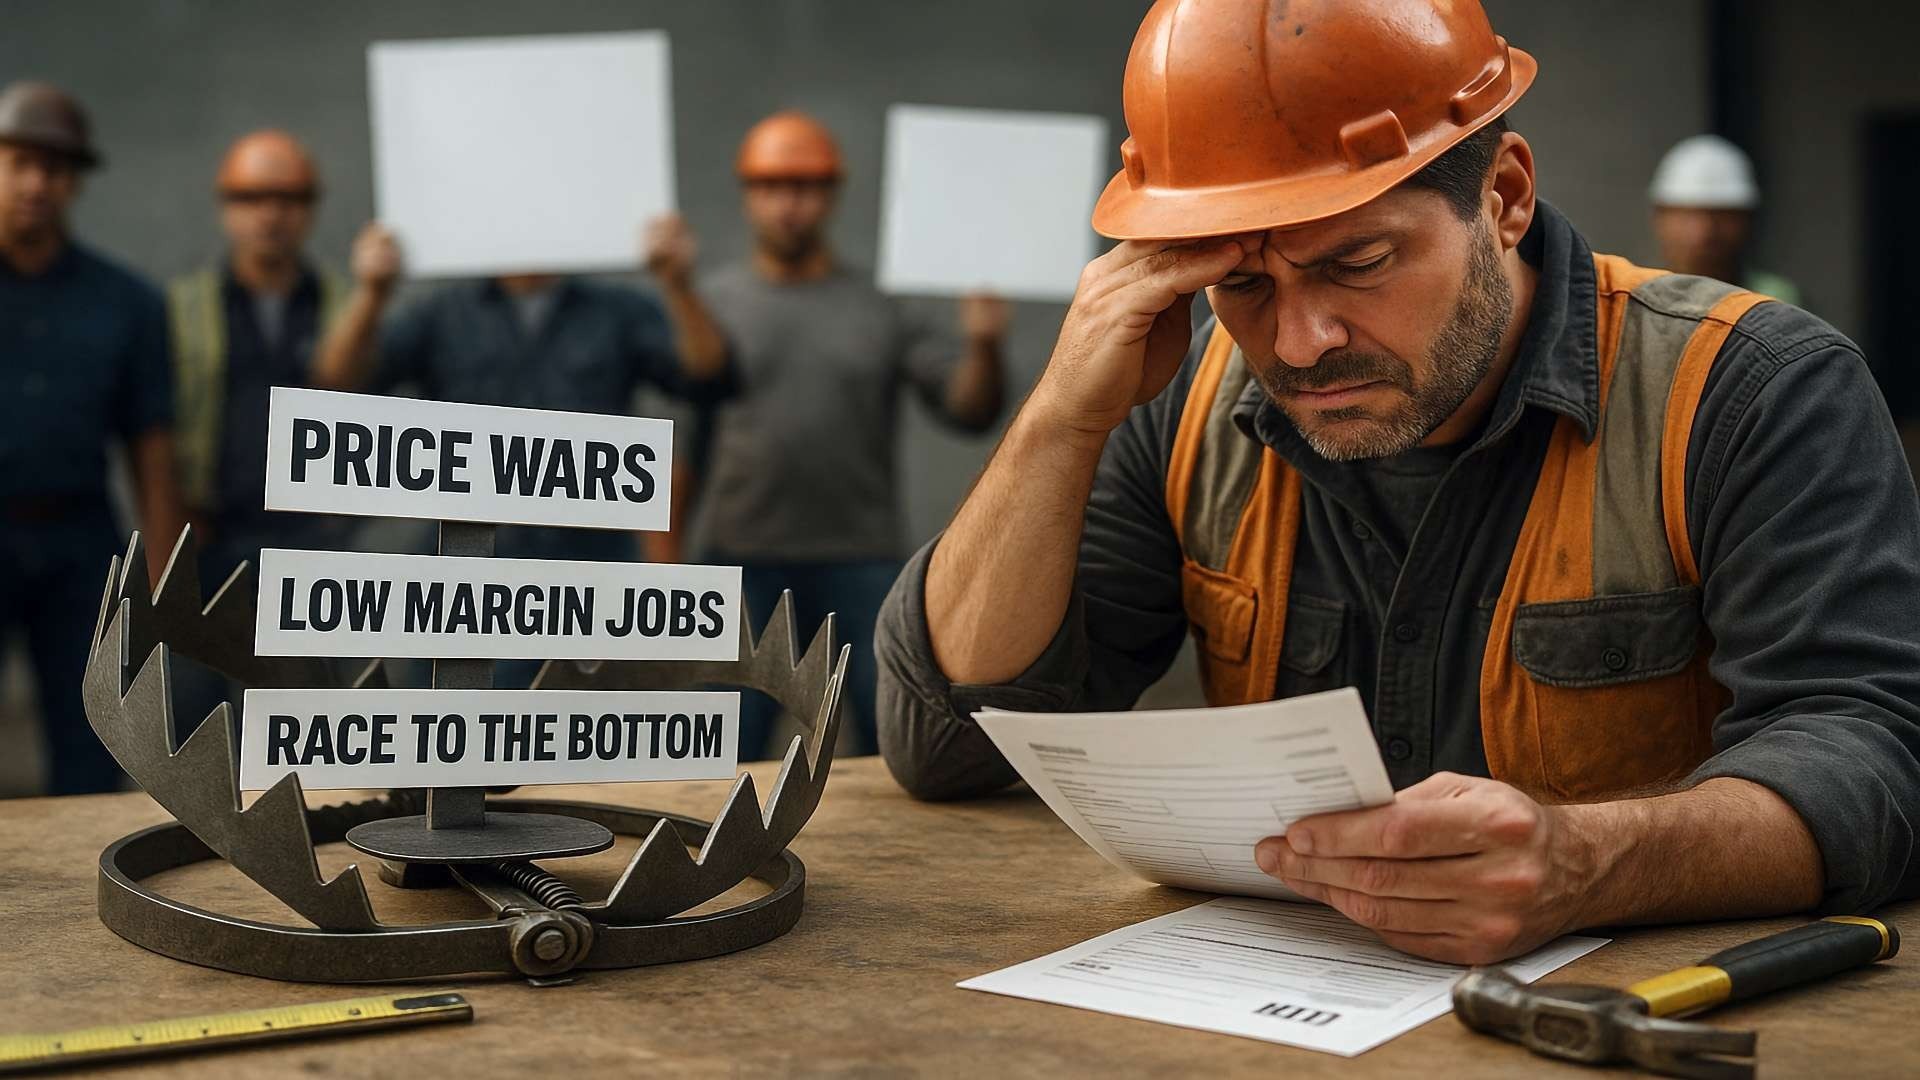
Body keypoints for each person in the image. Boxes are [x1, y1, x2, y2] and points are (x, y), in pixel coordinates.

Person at [875, 0, 1920, 966]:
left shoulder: (1750, 395)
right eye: (1241, 281)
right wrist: (1063, 415)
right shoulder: (1179, 404)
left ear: (1503, 196)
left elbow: (1873, 756)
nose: (1298, 343)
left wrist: (1590, 860)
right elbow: (949, 747)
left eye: (1358, 261)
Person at [678, 111, 1008, 759]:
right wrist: (665, 567)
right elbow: (684, 442)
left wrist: (985, 342)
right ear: (747, 194)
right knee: (719, 753)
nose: (787, 204)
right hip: (738, 564)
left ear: (832, 193)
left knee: (889, 747)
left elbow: (967, 410)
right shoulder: (711, 305)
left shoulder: (879, 305)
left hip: (861, 559)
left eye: (804, 186)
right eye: (770, 186)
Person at [312, 211, 735, 686]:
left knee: (595, 736)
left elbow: (707, 376)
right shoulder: (443, 312)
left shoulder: (617, 310)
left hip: (593, 570)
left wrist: (678, 285)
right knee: (449, 735)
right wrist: (371, 294)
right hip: (468, 573)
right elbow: (337, 385)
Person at [0, 81, 184, 793]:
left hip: (77, 543)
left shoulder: (125, 302)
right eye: (20, 162)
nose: (37, 183)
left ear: (75, 180)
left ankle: (84, 897)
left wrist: (166, 593)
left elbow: (152, 448)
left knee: (89, 743)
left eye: (56, 168)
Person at [169, 130, 349, 584]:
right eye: (251, 198)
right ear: (225, 207)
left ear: (310, 208)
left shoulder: (342, 307)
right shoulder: (183, 309)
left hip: (315, 538)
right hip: (212, 534)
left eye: (289, 199)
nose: (271, 216)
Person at [1649, 134, 1802, 305]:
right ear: (1659, 217)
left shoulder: (1777, 301)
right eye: (1687, 216)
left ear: (1747, 220)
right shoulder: (1636, 300)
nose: (1703, 233)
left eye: (1721, 216)